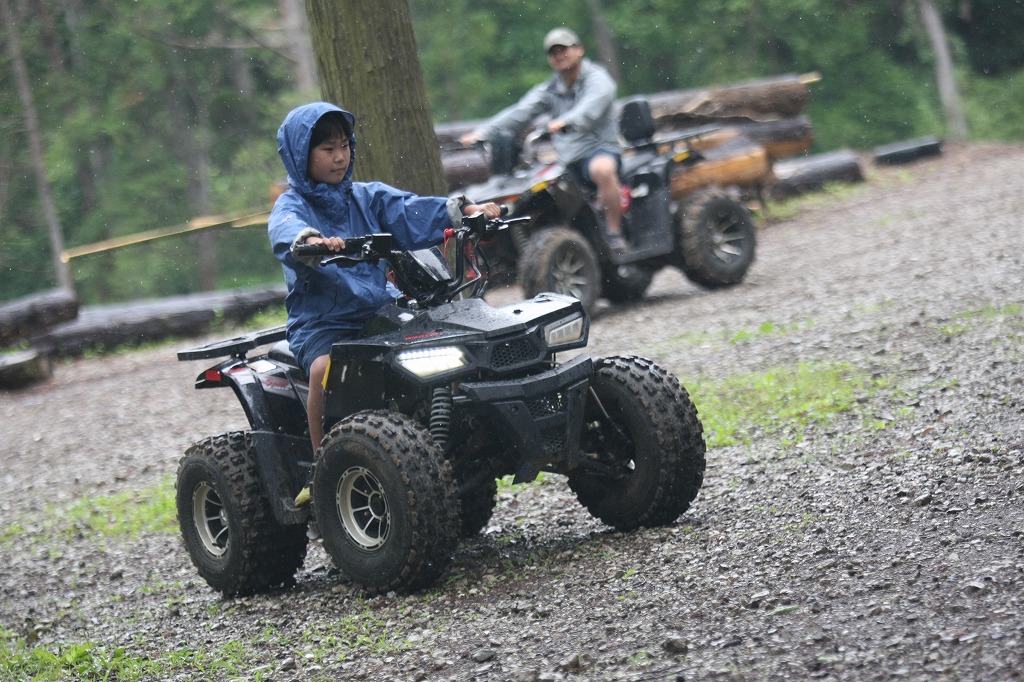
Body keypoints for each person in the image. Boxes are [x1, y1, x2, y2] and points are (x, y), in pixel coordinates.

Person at [269, 101, 501, 455]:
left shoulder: (366, 196)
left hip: (381, 308)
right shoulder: (292, 206)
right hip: (324, 323)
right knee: (322, 370)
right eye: (328, 149)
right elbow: (287, 231)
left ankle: (457, 438)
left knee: (444, 342)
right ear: (300, 156)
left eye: (344, 146)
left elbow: (410, 210)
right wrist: (312, 242)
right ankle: (323, 462)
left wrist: (466, 211)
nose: (339, 157)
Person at [460, 27, 627, 252]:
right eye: (553, 52)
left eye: (564, 49)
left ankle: (614, 233)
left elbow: (592, 106)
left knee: (602, 170)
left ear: (579, 49)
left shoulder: (597, 79)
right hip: (567, 159)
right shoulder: (551, 88)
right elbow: (521, 111)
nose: (559, 55)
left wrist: (566, 121)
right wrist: (485, 132)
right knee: (539, 190)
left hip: (598, 149)